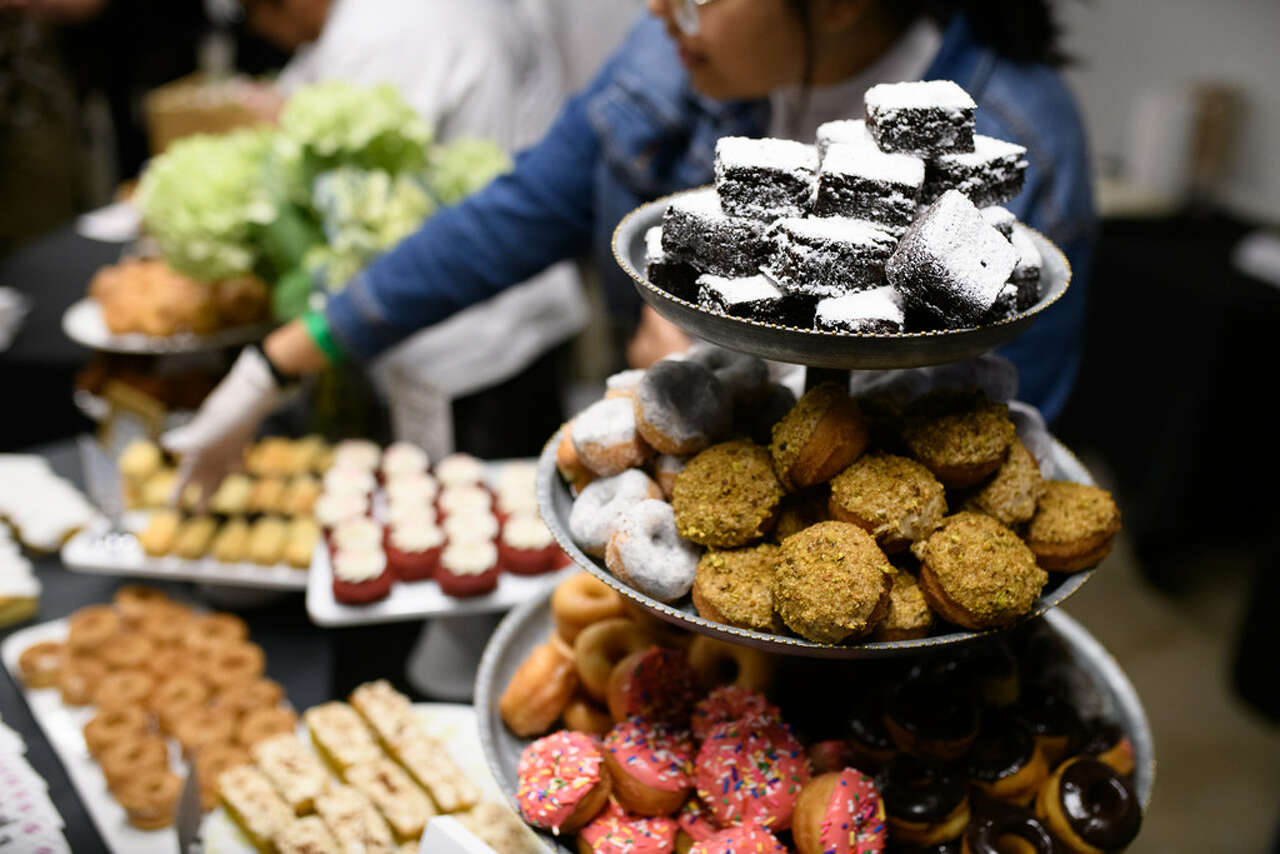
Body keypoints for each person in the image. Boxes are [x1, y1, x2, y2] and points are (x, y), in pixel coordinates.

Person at [167, 0, 1094, 499]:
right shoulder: (670, 69)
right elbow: (516, 212)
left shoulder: (1013, 151)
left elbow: (995, 440)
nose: (659, 11)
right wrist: (276, 362)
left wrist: (746, 378)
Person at [229, 0, 587, 461]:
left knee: (478, 509)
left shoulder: (383, 32)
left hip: (464, 334)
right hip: (487, 301)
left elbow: (356, 194)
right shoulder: (376, 22)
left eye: (262, 18)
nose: (269, 37)